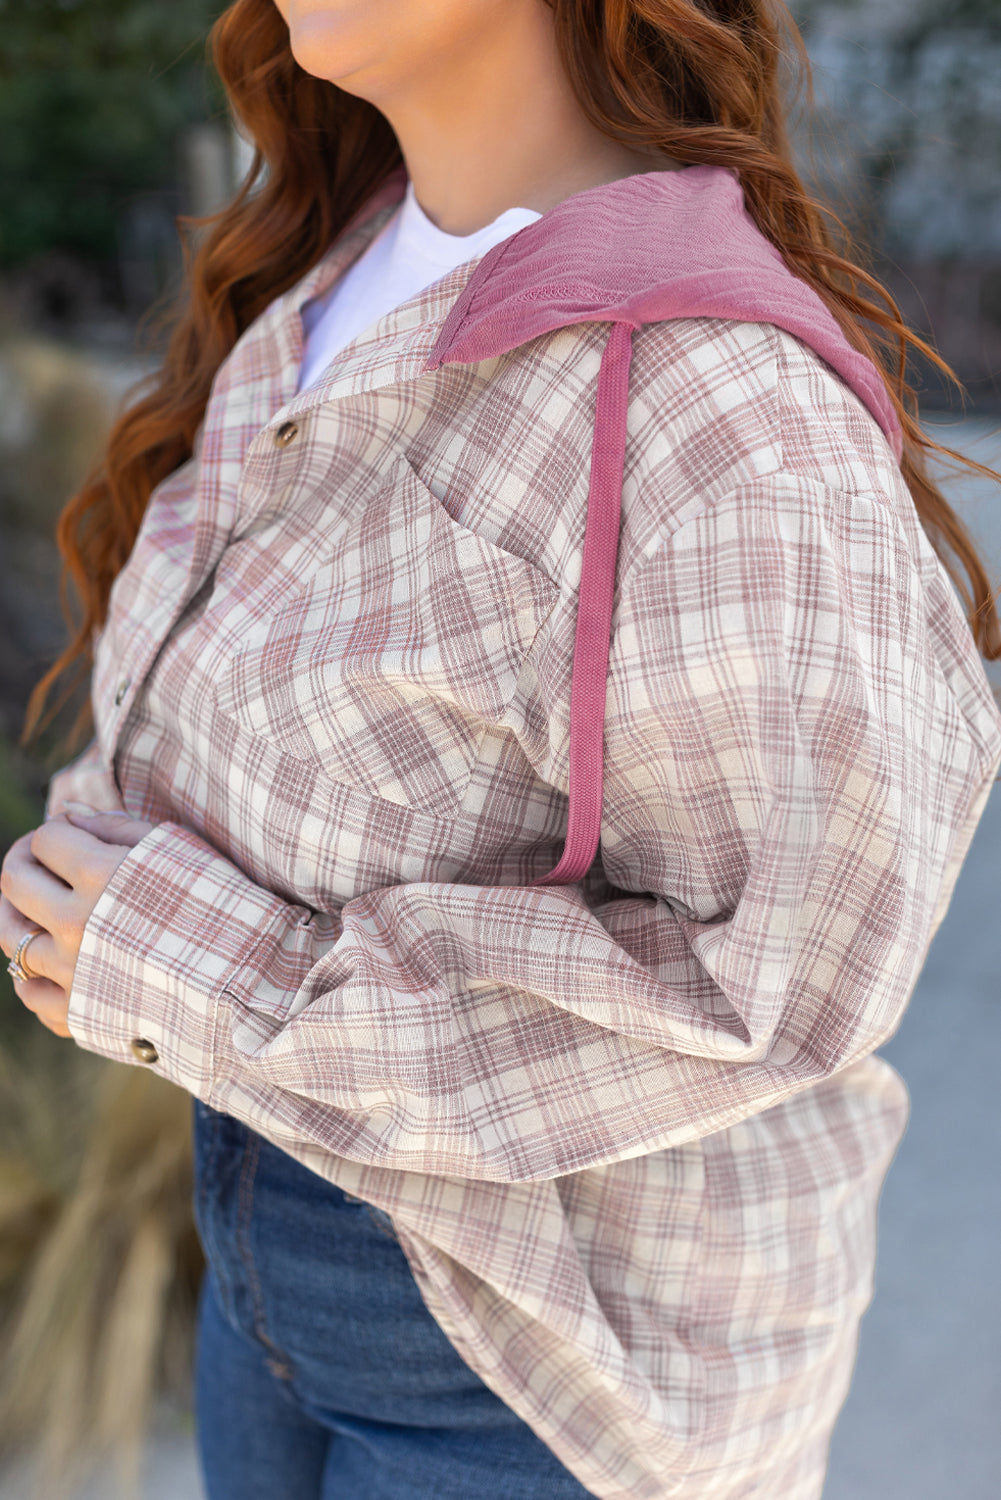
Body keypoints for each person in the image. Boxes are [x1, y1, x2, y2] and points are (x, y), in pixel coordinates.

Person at [3, 2, 1000, 1497]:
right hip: (267, 1224)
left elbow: (777, 983)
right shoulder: (333, 286)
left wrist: (202, 974)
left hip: (557, 1358)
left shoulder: (723, 420)